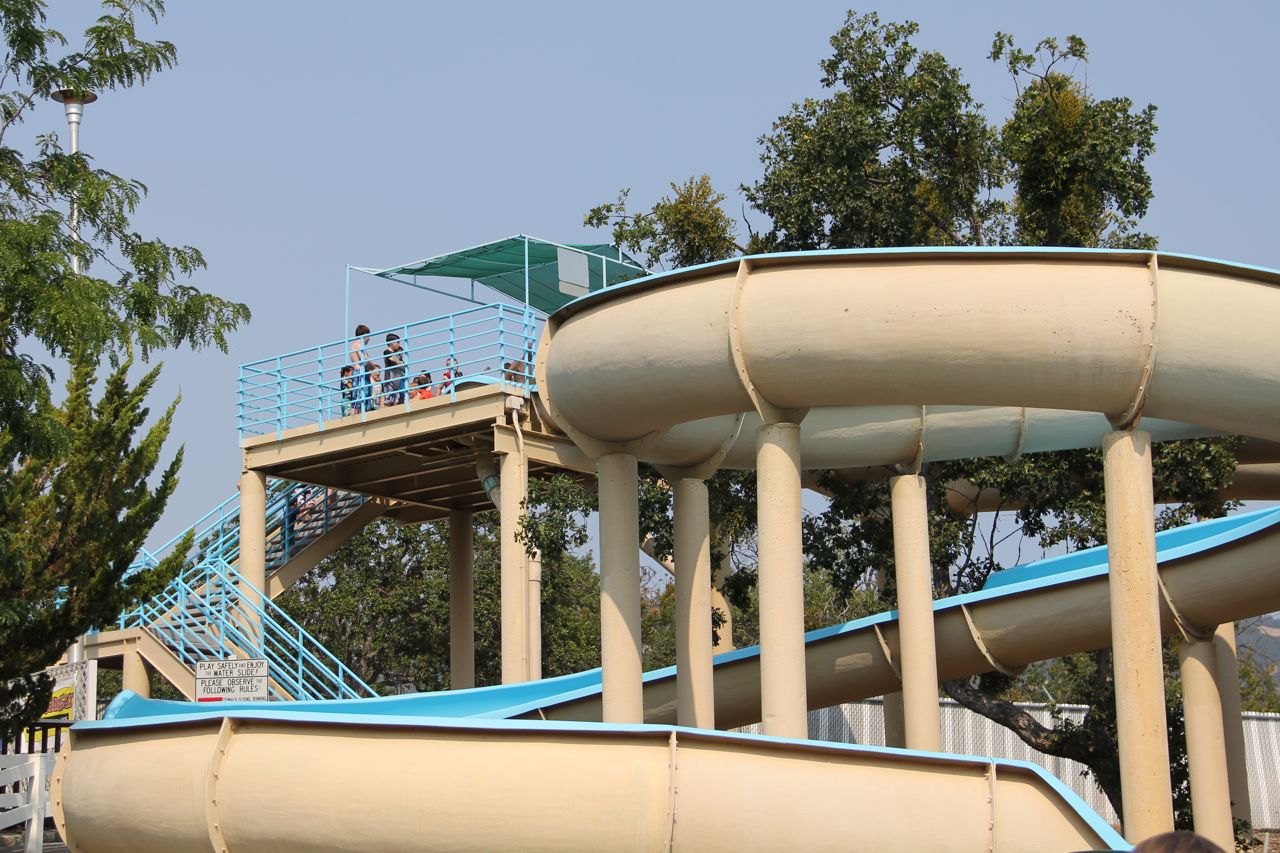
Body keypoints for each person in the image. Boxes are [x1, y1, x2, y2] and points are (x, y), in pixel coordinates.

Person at [382, 333, 406, 407]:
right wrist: (399, 362)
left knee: (397, 402)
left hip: (397, 382)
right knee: (388, 402)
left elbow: (403, 365)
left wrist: (400, 362)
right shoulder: (386, 352)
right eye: (397, 342)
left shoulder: (397, 353)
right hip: (390, 381)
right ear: (391, 342)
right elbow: (395, 361)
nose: (399, 344)